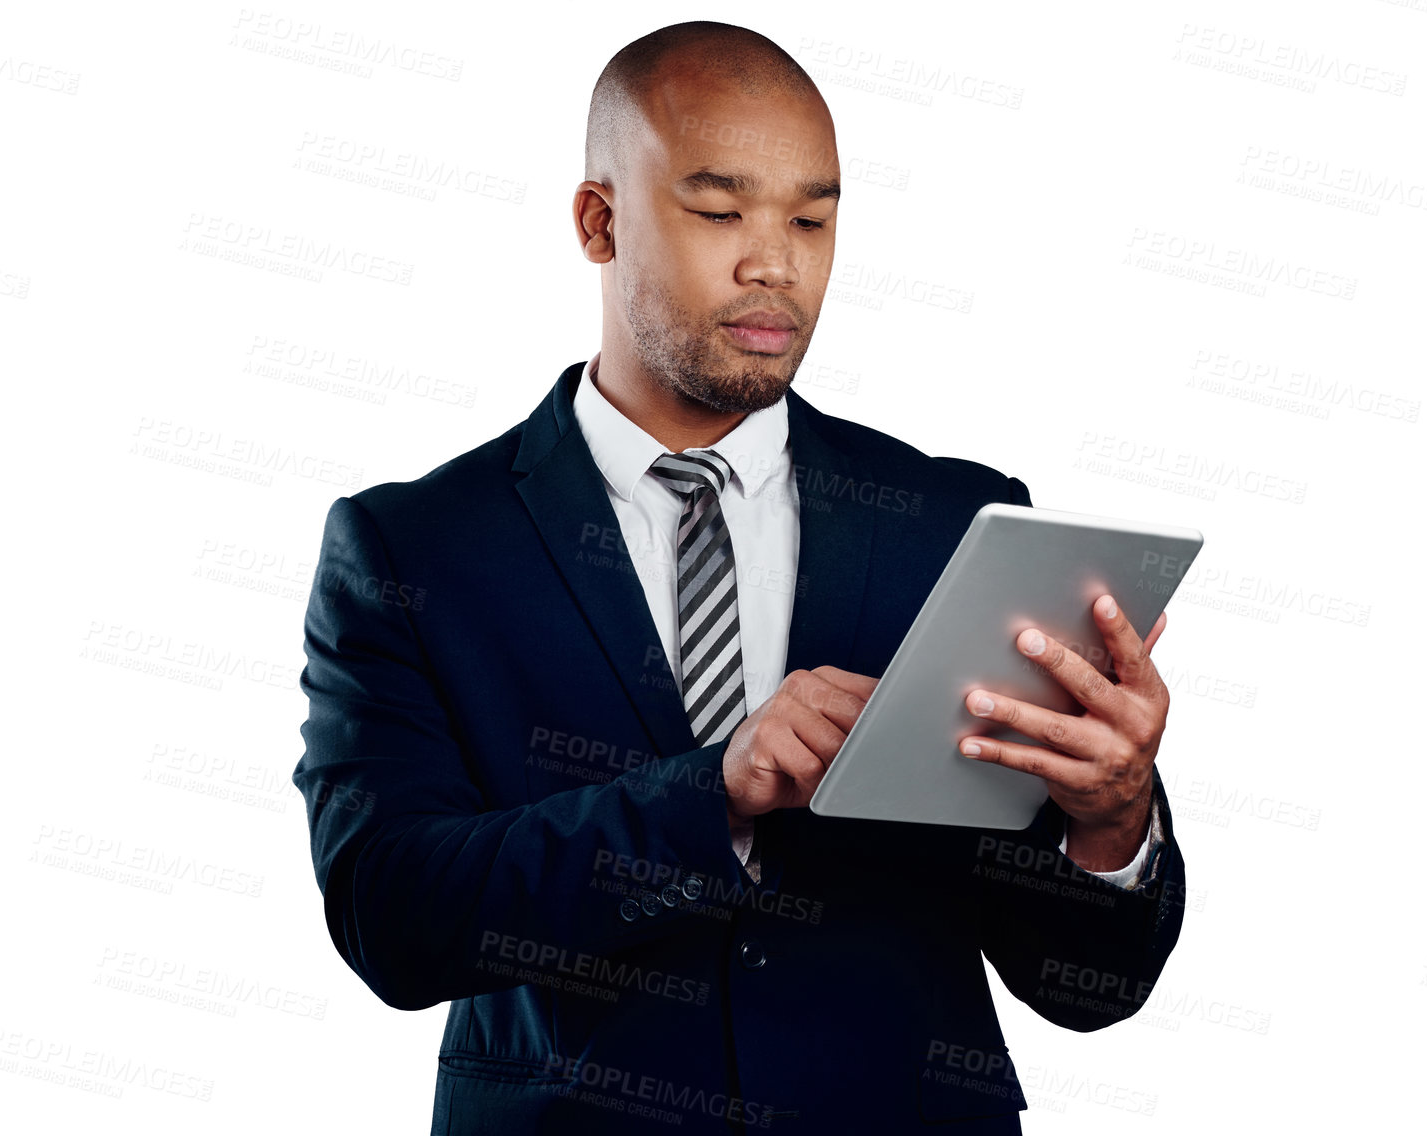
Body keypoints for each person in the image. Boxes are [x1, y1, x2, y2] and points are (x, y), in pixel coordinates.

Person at [293, 21, 1186, 1135]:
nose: (777, 261)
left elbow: (1081, 984)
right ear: (599, 220)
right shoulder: (413, 548)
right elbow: (393, 912)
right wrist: (710, 791)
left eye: (812, 217)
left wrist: (1110, 823)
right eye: (721, 211)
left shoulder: (955, 524)